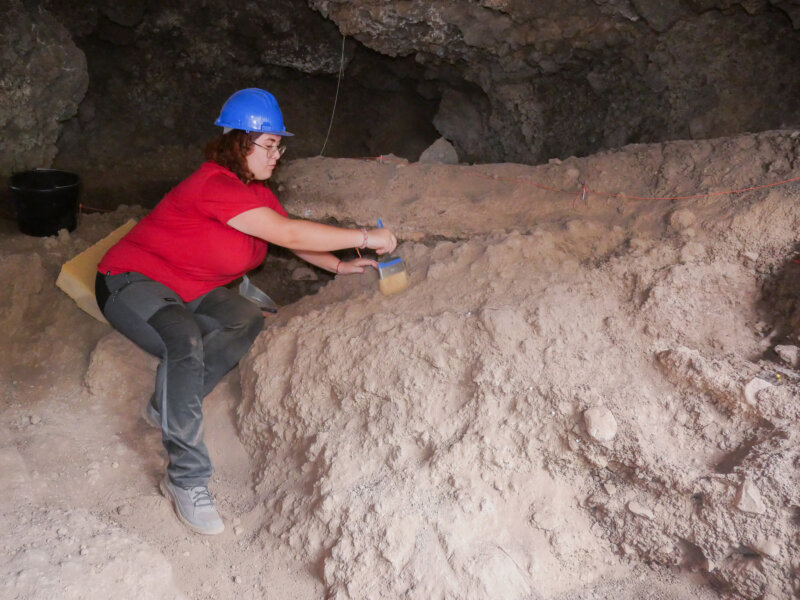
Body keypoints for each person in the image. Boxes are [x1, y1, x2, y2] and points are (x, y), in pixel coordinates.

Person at [95, 88, 397, 535]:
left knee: (248, 317)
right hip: (129, 281)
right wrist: (366, 237)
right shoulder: (214, 186)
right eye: (270, 144)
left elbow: (289, 237)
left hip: (192, 286)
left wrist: (337, 263)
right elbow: (286, 229)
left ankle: (170, 403)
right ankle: (186, 478)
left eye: (279, 145)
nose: (277, 154)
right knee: (184, 340)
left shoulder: (253, 191)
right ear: (239, 142)